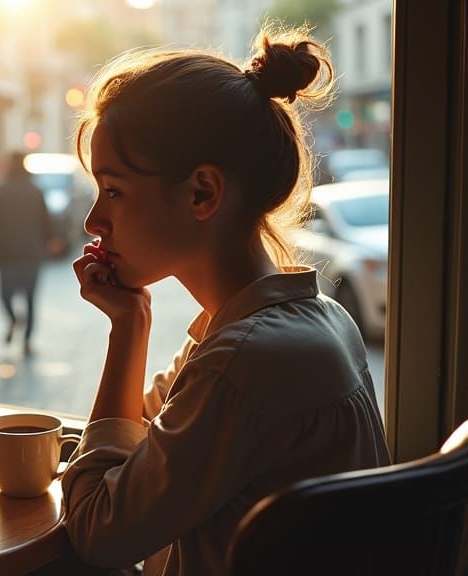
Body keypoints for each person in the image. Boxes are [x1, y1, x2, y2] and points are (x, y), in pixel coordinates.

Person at [60, 25, 391, 575]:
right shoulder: (309, 320)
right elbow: (142, 441)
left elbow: (97, 530)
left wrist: (128, 329)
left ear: (202, 193)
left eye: (114, 190)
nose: (95, 221)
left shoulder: (245, 361)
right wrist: (133, 316)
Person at [0, 151, 52, 355]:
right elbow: (46, 220)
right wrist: (50, 241)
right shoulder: (35, 191)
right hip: (32, 252)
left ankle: (14, 321)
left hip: (7, 252)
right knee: (30, 298)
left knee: (4, 295)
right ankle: (27, 338)